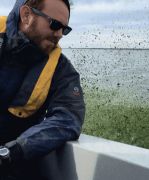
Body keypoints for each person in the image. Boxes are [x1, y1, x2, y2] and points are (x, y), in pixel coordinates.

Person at [0, 0, 85, 179]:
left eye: (65, 29)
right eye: (55, 25)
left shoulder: (63, 71)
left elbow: (67, 118)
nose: (60, 34)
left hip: (13, 165)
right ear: (26, 15)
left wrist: (12, 152)